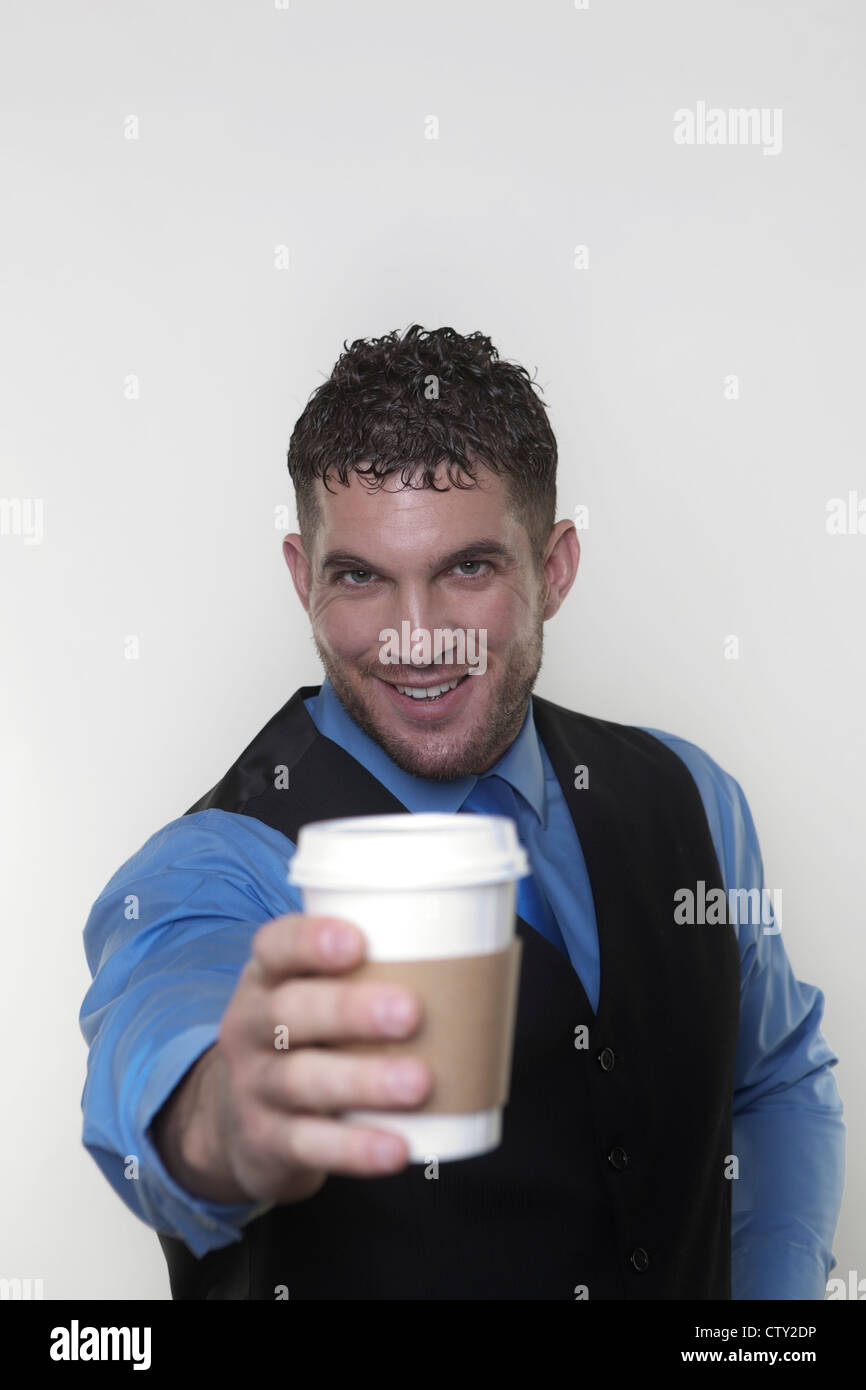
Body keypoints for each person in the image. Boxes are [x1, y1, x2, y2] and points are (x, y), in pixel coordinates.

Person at [79, 324, 845, 1300]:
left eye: (467, 569)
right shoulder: (215, 861)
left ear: (554, 567)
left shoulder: (691, 796)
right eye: (359, 576)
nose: (414, 636)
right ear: (299, 578)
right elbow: (163, 1033)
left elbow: (775, 1076)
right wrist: (224, 1117)